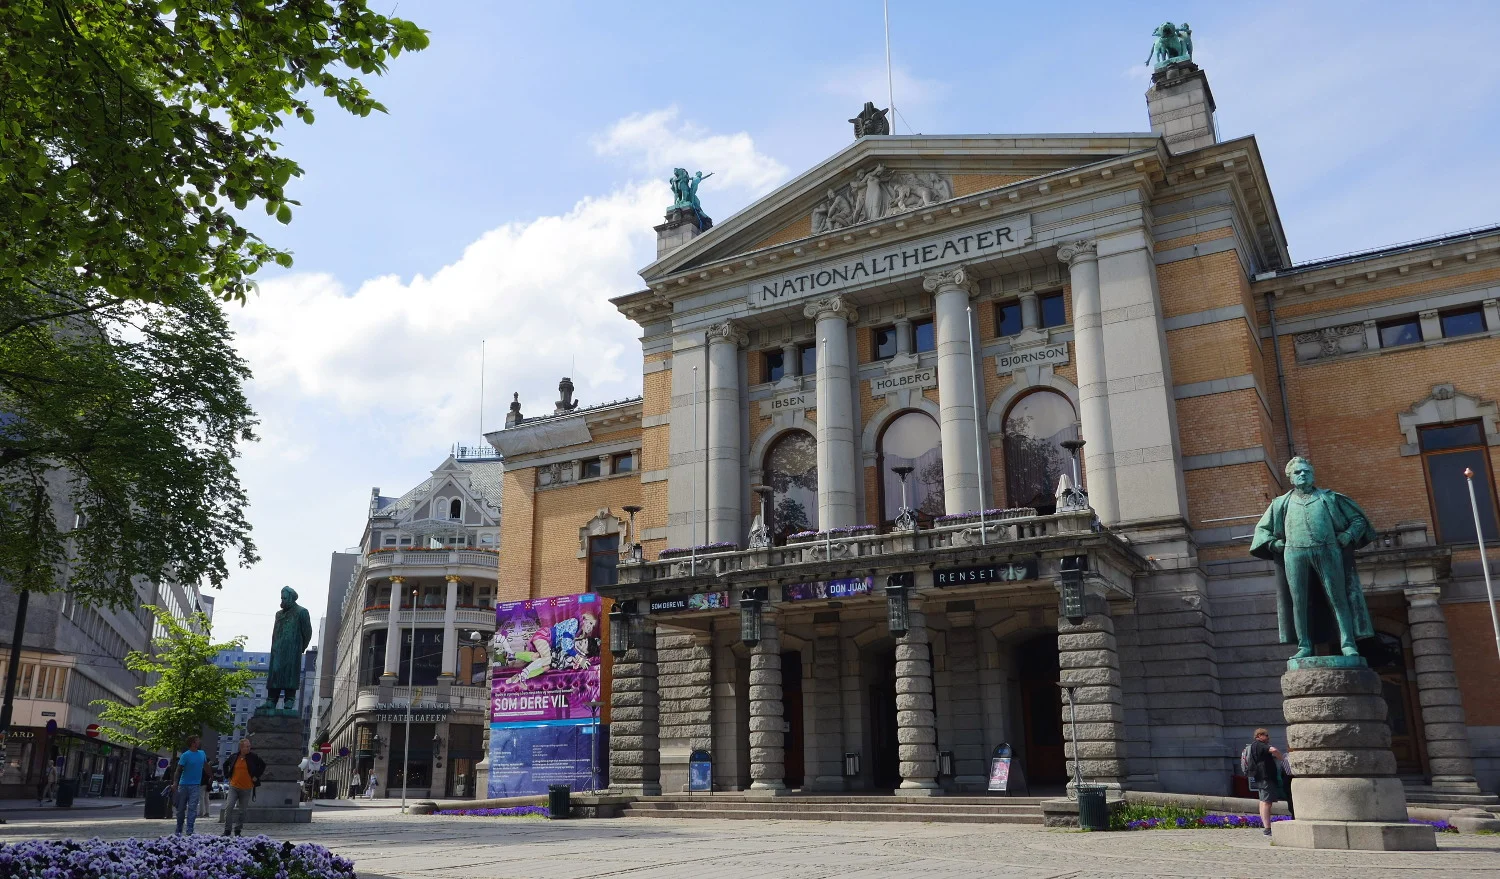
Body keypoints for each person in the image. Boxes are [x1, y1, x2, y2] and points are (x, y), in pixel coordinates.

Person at [220, 738, 264, 837]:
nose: (249, 748)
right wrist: (227, 775)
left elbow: (263, 765)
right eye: (247, 746)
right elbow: (225, 764)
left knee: (242, 811)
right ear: (241, 747)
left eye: (249, 746)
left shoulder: (253, 757)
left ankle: (238, 830)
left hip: (246, 788)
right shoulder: (234, 756)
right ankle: (227, 830)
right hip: (234, 787)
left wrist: (256, 776)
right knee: (229, 807)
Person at [170, 735, 207, 836]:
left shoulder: (202, 754)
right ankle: (178, 829)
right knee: (181, 809)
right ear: (193, 743)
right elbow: (178, 770)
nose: (199, 741)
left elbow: (206, 766)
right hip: (184, 785)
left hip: (195, 785)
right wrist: (175, 783)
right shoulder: (185, 755)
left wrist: (211, 777)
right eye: (197, 740)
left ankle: (190, 829)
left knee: (192, 808)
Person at [1249, 728, 1284, 835]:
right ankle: (1267, 828)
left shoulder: (1255, 746)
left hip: (1261, 776)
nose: (1268, 737)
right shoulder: (1259, 744)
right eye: (1266, 735)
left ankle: (1266, 827)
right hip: (1265, 776)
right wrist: (1282, 759)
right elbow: (1274, 750)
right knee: (1266, 802)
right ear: (1259, 736)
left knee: (1263, 801)